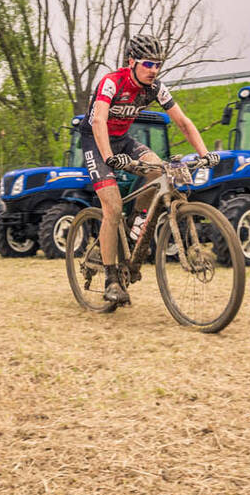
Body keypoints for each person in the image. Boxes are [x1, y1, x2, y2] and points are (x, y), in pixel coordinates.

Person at [87, 34, 212, 305]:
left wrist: (205, 154)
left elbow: (183, 122)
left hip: (123, 140)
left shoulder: (155, 87)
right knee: (112, 206)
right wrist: (109, 157)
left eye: (158, 64)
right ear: (131, 62)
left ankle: (133, 227)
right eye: (148, 64)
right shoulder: (111, 83)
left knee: (160, 171)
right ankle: (110, 279)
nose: (153, 70)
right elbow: (98, 121)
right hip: (97, 143)